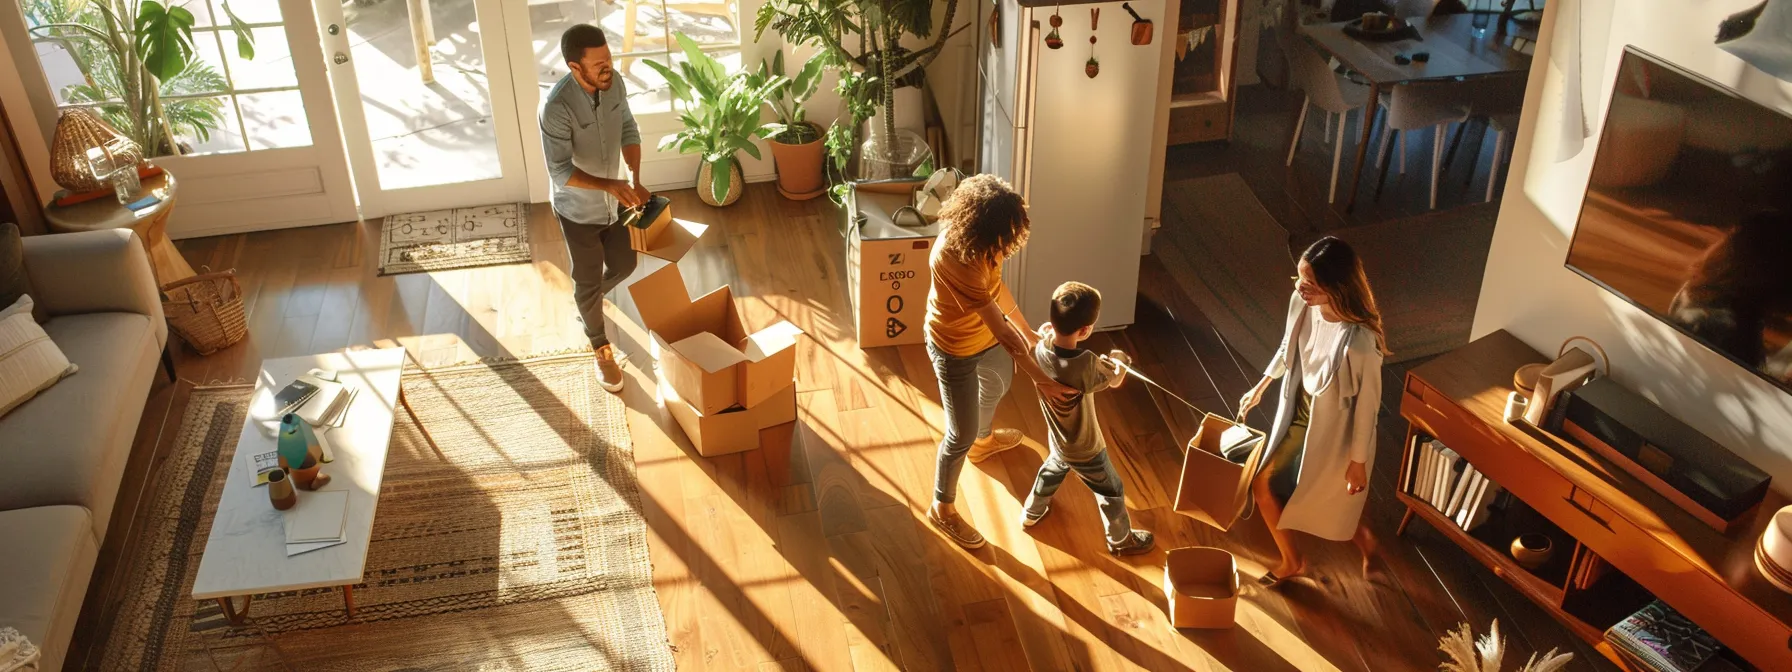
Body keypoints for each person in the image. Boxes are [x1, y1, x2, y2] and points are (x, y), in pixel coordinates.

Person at [925, 174, 1077, 550]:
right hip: (954, 347)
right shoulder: (955, 258)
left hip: (985, 339)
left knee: (998, 382)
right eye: (1004, 235)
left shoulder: (985, 245)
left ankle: (983, 441)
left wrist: (1028, 331)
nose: (1008, 245)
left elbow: (999, 293)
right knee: (957, 434)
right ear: (980, 226)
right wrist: (1041, 378)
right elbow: (1002, 332)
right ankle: (941, 508)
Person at [1237, 236, 1388, 586]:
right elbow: (1287, 347)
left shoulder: (1361, 342)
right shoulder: (1300, 303)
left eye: (1312, 284)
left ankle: (1361, 542)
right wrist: (1261, 385)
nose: (1302, 289)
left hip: (1336, 430)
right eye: (1300, 279)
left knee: (1322, 496)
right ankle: (1294, 560)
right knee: (1272, 486)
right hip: (1299, 412)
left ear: (1338, 287)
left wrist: (1358, 461)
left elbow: (1368, 407)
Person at [541, 24, 649, 393]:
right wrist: (611, 185)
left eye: (610, 58)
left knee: (626, 264)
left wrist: (632, 176)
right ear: (575, 68)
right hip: (578, 212)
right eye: (599, 64)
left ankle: (586, 303)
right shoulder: (555, 108)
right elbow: (559, 171)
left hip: (614, 203)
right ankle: (598, 344)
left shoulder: (613, 83)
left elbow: (629, 129)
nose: (609, 68)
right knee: (587, 281)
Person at [1019, 282, 1155, 555]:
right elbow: (1115, 379)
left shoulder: (1040, 348)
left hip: (1058, 438)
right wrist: (1121, 359)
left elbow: (1045, 336)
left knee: (1052, 470)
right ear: (1085, 330)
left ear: (1052, 320)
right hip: (1086, 447)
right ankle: (1120, 539)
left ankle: (1031, 513)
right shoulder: (1086, 364)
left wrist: (1048, 332)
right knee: (1112, 490)